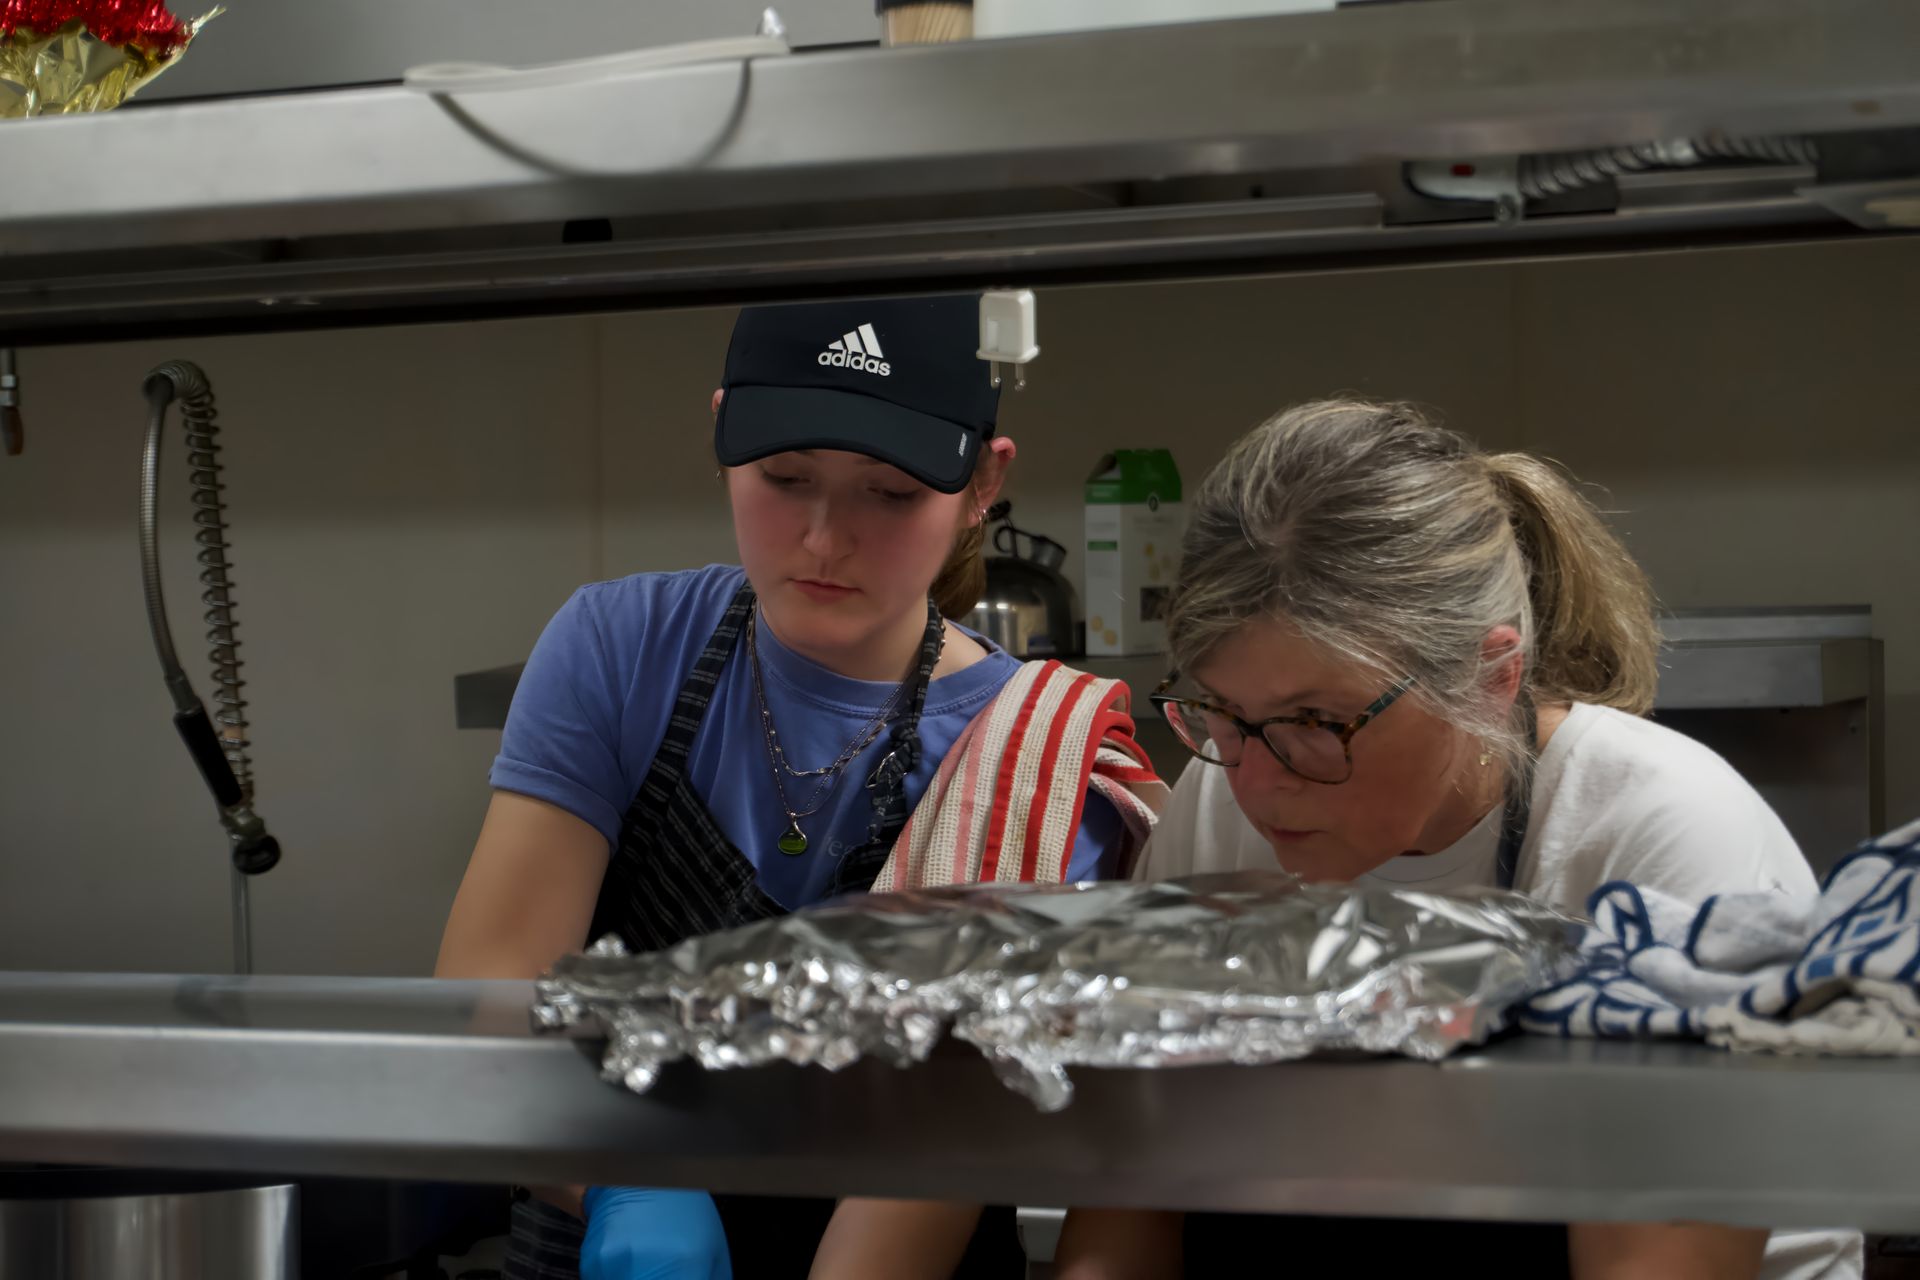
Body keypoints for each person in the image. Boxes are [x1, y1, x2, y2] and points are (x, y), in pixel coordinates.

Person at [435, 296, 1161, 1280]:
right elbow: (495, 987)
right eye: (785, 478)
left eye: (890, 493)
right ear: (723, 433)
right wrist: (621, 1175)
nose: (823, 538)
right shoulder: (622, 645)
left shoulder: (1036, 747)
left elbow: (944, 1139)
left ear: (984, 480)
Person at [1052, 399, 1858, 1280]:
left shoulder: (1652, 836)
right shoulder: (1215, 806)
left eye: (1316, 720)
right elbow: (1132, 1193)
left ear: (1491, 676)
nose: (1257, 779)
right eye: (1223, 713)